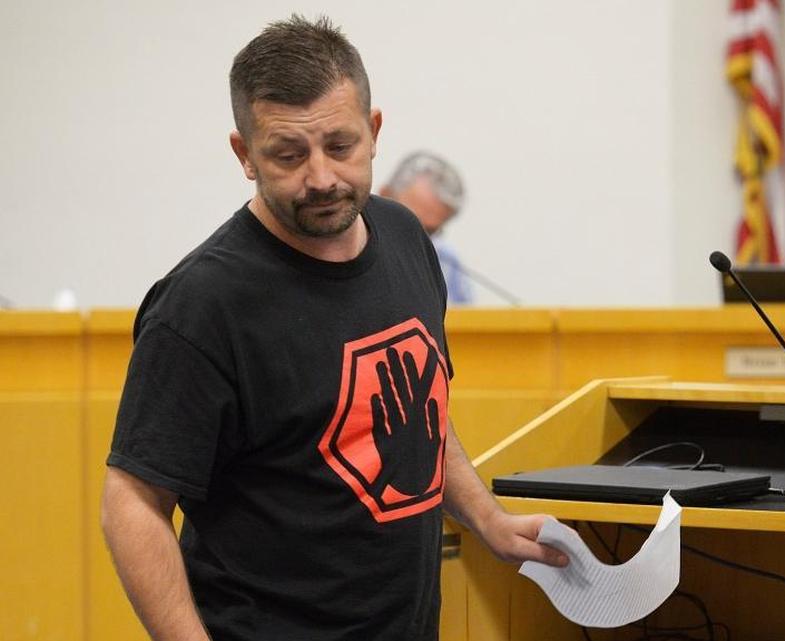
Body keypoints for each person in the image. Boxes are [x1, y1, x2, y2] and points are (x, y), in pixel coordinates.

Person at [100, 15, 565, 641]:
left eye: (340, 146)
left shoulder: (405, 238)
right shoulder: (202, 305)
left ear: (375, 132)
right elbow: (132, 503)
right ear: (244, 154)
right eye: (288, 155)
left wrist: (488, 519)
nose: (321, 178)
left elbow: (419, 414)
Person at [379, 152, 473, 304]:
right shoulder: (346, 246)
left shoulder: (446, 262)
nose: (417, 238)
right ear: (384, 194)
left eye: (429, 231)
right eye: (408, 222)